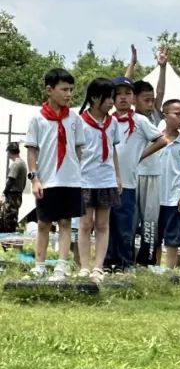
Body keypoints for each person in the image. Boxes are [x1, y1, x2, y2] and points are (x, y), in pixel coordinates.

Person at [25, 68, 87, 281]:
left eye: (71, 90)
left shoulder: (74, 119)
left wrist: (76, 171)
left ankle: (62, 265)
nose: (69, 94)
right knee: (43, 223)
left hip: (70, 179)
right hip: (47, 179)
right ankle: (39, 265)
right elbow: (32, 150)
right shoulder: (38, 119)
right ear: (49, 90)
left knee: (65, 222)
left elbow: (79, 149)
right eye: (64, 89)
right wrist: (34, 178)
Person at [107, 76, 166, 272]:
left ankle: (126, 263)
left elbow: (161, 140)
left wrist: (140, 155)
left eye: (127, 94)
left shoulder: (140, 120)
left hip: (129, 182)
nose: (123, 98)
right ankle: (107, 261)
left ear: (133, 97)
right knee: (107, 224)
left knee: (126, 225)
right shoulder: (108, 120)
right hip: (107, 181)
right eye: (118, 94)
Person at [76, 78, 124, 282]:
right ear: (95, 98)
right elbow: (76, 152)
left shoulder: (112, 122)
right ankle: (84, 266)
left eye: (113, 97)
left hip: (106, 179)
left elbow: (113, 149)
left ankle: (98, 267)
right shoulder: (79, 121)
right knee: (86, 224)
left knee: (103, 225)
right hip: (85, 179)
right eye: (108, 98)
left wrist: (118, 176)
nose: (112, 102)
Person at [132, 49, 169, 266]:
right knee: (131, 216)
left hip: (152, 173)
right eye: (146, 99)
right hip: (132, 174)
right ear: (134, 98)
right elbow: (122, 87)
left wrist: (162, 67)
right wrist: (132, 65)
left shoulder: (153, 116)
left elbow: (161, 91)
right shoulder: (128, 116)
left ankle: (147, 255)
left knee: (150, 218)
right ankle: (126, 253)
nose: (150, 103)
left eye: (151, 100)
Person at [155, 99, 180, 270]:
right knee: (153, 237)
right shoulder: (154, 139)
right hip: (154, 197)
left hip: (173, 198)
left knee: (173, 238)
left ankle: (169, 272)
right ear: (165, 115)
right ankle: (153, 268)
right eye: (177, 114)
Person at [0, 142, 28, 233]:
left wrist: (4, 193)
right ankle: (9, 243)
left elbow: (11, 180)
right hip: (17, 195)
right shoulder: (22, 163)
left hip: (13, 196)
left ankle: (8, 243)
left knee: (9, 220)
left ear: (10, 152)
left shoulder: (16, 164)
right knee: (12, 218)